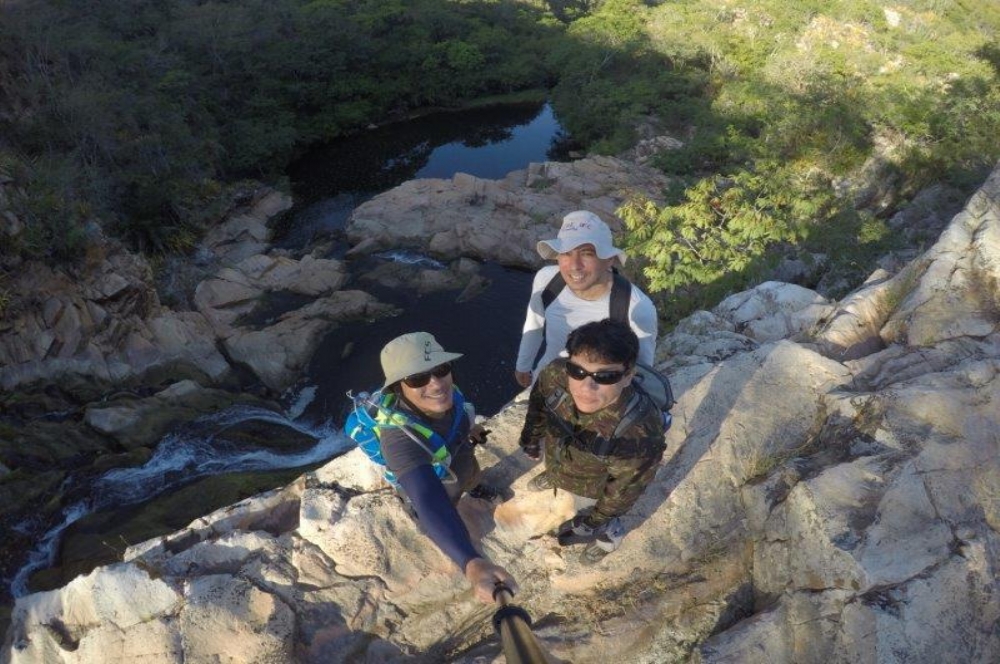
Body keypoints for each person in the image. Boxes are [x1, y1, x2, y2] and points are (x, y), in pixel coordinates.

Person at [376, 331, 517, 603]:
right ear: (397, 387)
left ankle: (475, 490)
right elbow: (429, 500)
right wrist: (471, 562)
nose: (437, 384)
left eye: (441, 369)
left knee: (471, 474)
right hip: (439, 477)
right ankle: (453, 531)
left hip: (459, 451)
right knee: (445, 501)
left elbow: (459, 412)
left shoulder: (450, 395)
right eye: (418, 378)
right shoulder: (399, 439)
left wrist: (469, 429)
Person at [518, 318, 666, 564]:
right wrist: (530, 440)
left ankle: (610, 537)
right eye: (577, 371)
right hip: (560, 459)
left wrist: (592, 522)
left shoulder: (639, 434)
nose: (587, 387)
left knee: (601, 516)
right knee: (558, 470)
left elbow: (623, 492)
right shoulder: (556, 374)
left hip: (593, 486)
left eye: (605, 376)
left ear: (628, 376)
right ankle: (556, 477)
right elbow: (537, 408)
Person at [514, 210, 658, 388]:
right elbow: (535, 324)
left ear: (609, 260)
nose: (575, 265)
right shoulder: (547, 281)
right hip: (546, 384)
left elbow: (642, 373)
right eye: (566, 253)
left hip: (596, 396)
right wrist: (523, 365)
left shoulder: (636, 308)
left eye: (587, 253)